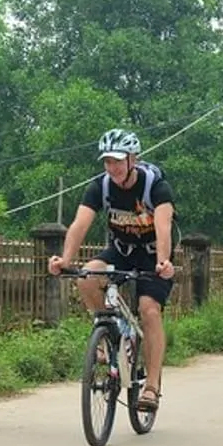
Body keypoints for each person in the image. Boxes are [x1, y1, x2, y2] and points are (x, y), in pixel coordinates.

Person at [47, 128, 176, 413]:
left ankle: (152, 386)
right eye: (107, 161)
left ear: (133, 159)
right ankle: (108, 333)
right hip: (121, 249)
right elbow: (80, 224)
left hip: (154, 254)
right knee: (86, 277)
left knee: (149, 309)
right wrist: (64, 260)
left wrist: (164, 263)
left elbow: (163, 227)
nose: (112, 167)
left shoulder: (155, 186)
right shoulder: (101, 186)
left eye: (118, 160)